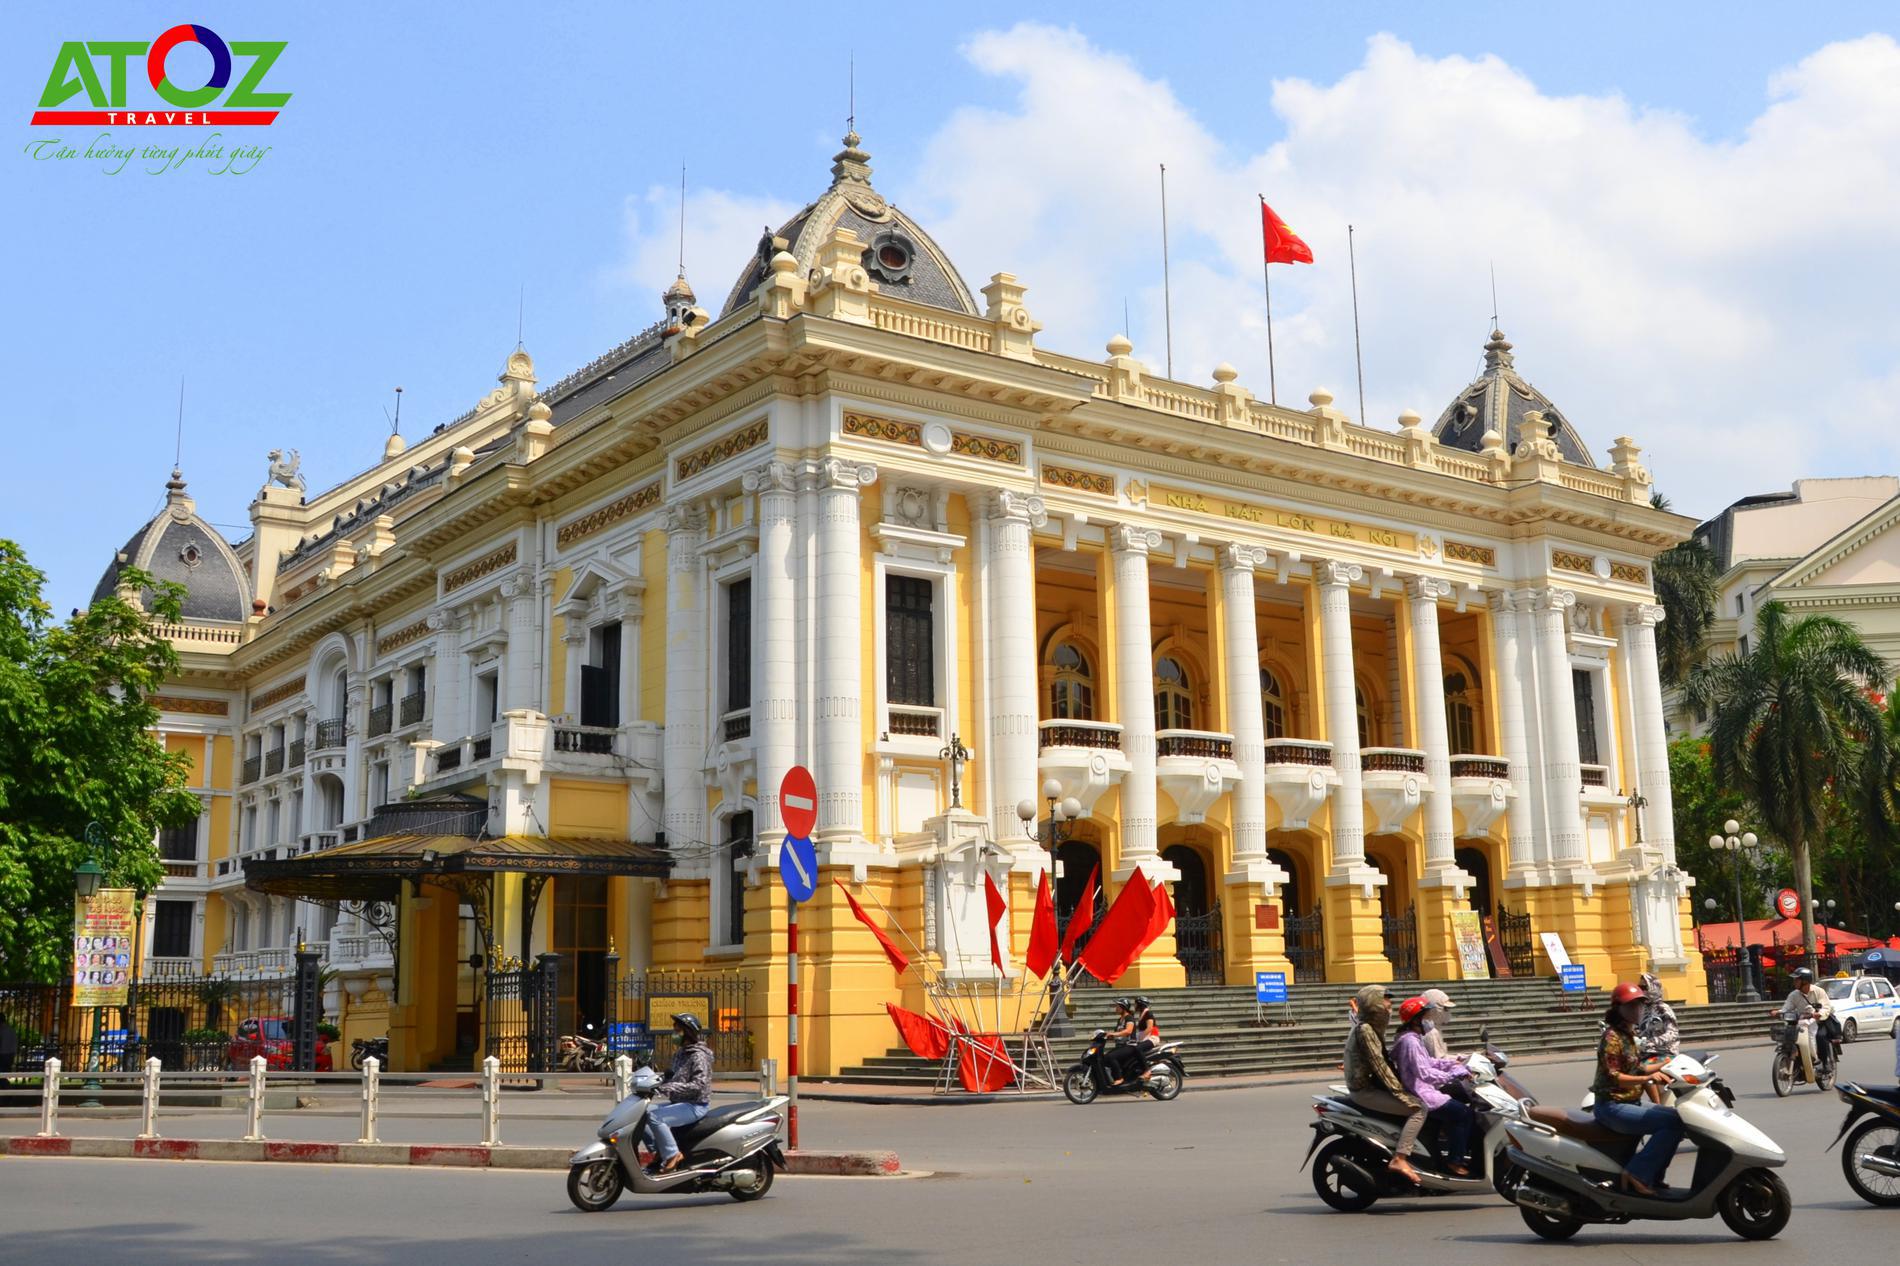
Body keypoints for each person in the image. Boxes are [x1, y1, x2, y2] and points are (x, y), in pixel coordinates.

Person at [1590, 981, 1684, 1196]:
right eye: (1632, 1006)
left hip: (1629, 1102)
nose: (1638, 1010)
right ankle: (1637, 1174)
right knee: (1670, 1124)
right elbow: (1615, 1077)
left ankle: (1653, 1176)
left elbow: (1638, 1066)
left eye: (1640, 1005)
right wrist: (1648, 1077)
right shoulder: (1612, 1038)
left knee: (1679, 1118)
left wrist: (1669, 1064)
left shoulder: (1628, 1035)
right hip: (1612, 1106)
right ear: (1619, 1010)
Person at [1343, 984, 1426, 1184]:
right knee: (1419, 1109)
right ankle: (1400, 1158)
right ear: (1374, 1005)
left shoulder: (1371, 1028)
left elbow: (1386, 1060)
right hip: (1365, 1091)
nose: (1390, 1006)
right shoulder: (1365, 1031)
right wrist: (1402, 1092)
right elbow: (1380, 1066)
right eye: (1386, 1002)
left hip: (1372, 1086)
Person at [1391, 996, 1476, 1176]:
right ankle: (1455, 1160)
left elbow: (1429, 1061)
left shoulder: (1412, 1038)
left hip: (1424, 1088)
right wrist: (1453, 1074)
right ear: (1415, 1020)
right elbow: (1424, 1073)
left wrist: (1454, 1064)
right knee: (1463, 1113)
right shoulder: (1410, 1042)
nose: (1429, 1021)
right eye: (1425, 1017)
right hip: (1420, 1091)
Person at [642, 1013, 713, 1172]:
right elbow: (671, 1077)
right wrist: (652, 1084)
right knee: (641, 1113)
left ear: (688, 1033)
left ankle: (673, 1154)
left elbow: (699, 1085)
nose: (674, 1034)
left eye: (678, 1030)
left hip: (695, 1105)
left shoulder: (699, 1055)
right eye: (674, 1030)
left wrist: (670, 1087)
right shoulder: (679, 1054)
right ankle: (659, 1151)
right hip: (679, 1103)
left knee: (655, 1117)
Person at [1779, 967, 1835, 1080]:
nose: (1794, 982)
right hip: (1801, 1022)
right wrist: (1779, 1012)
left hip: (1820, 1022)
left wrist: (1819, 1014)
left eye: (1797, 980)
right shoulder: (1794, 994)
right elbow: (1787, 1006)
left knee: (1820, 1037)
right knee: (1788, 1036)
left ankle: (1822, 1063)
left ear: (1805, 981)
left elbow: (1826, 1007)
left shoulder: (1819, 991)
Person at [1418, 988, 1456, 1059]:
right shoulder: (1430, 1033)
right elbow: (1439, 1060)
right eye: (1445, 1008)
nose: (1448, 1013)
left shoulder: (1434, 1029)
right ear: (1433, 1009)